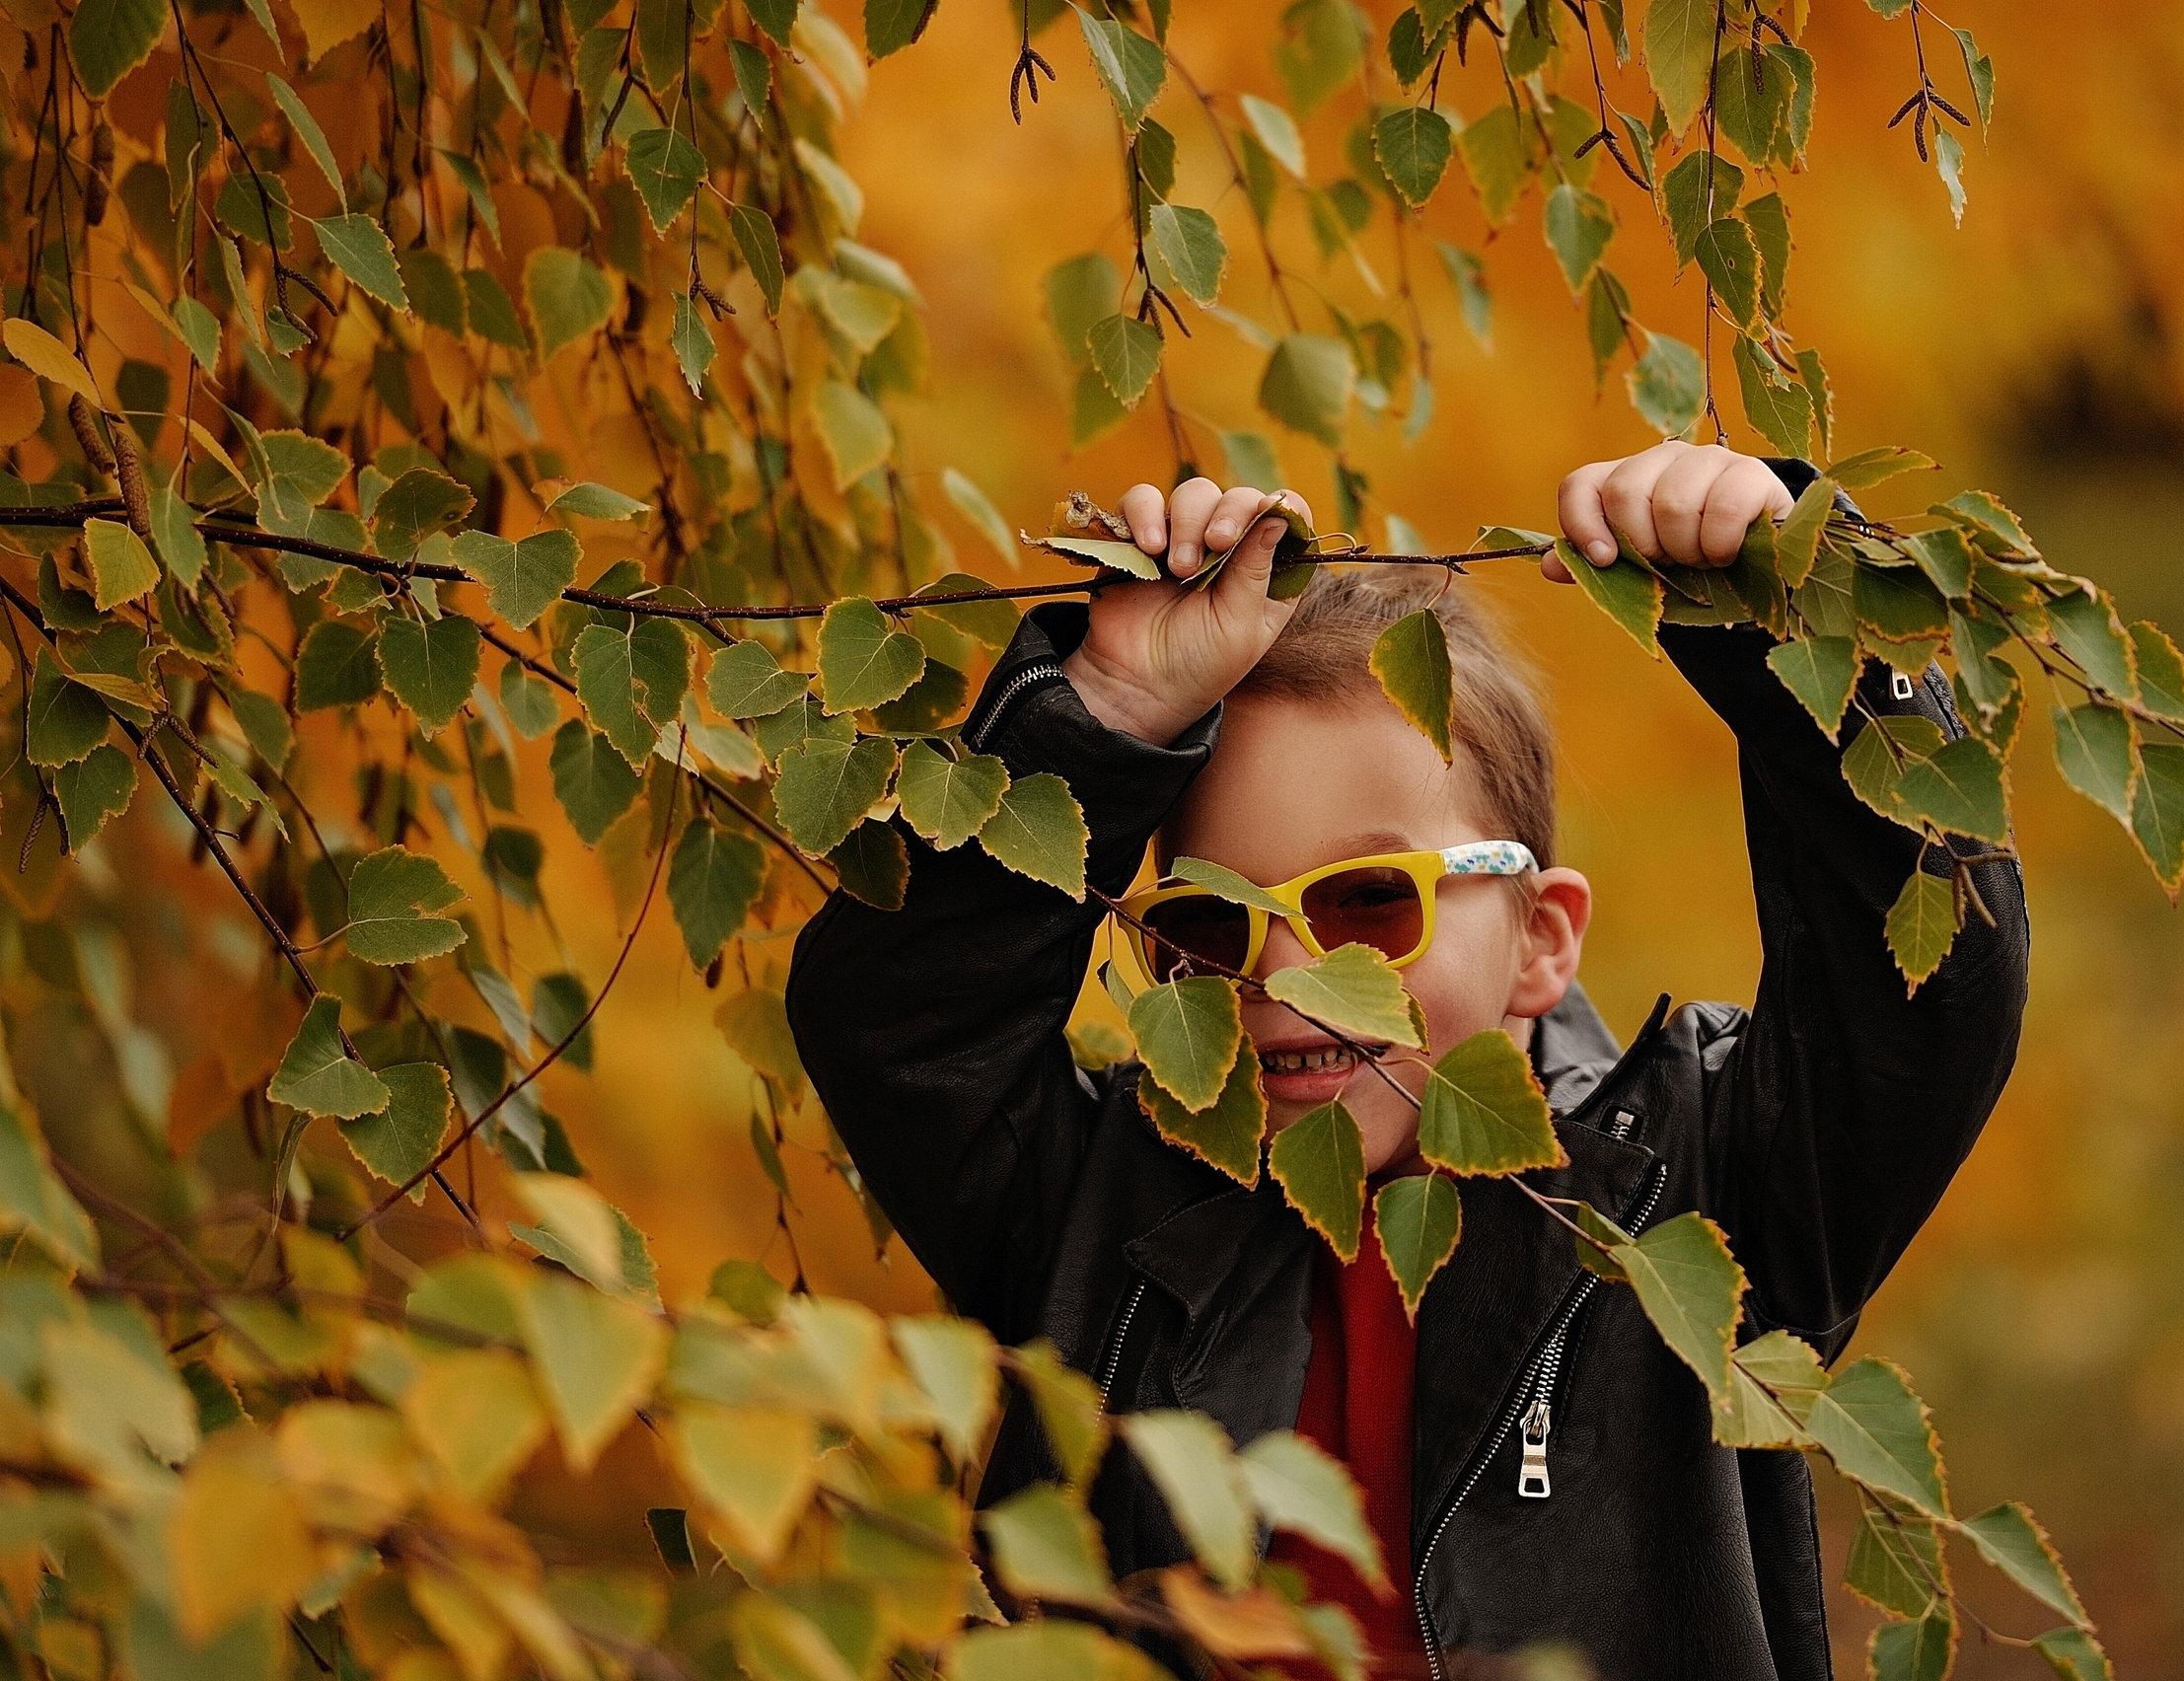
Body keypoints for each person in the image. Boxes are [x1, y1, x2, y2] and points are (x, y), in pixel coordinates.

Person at [786, 442, 2030, 1679]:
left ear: (1540, 940)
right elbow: (899, 1024)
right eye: (1210, 922)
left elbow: (1931, 991)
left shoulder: (1700, 1196)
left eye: (1371, 900)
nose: (1281, 977)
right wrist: (1101, 715)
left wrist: (1797, 608)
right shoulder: (1094, 1206)